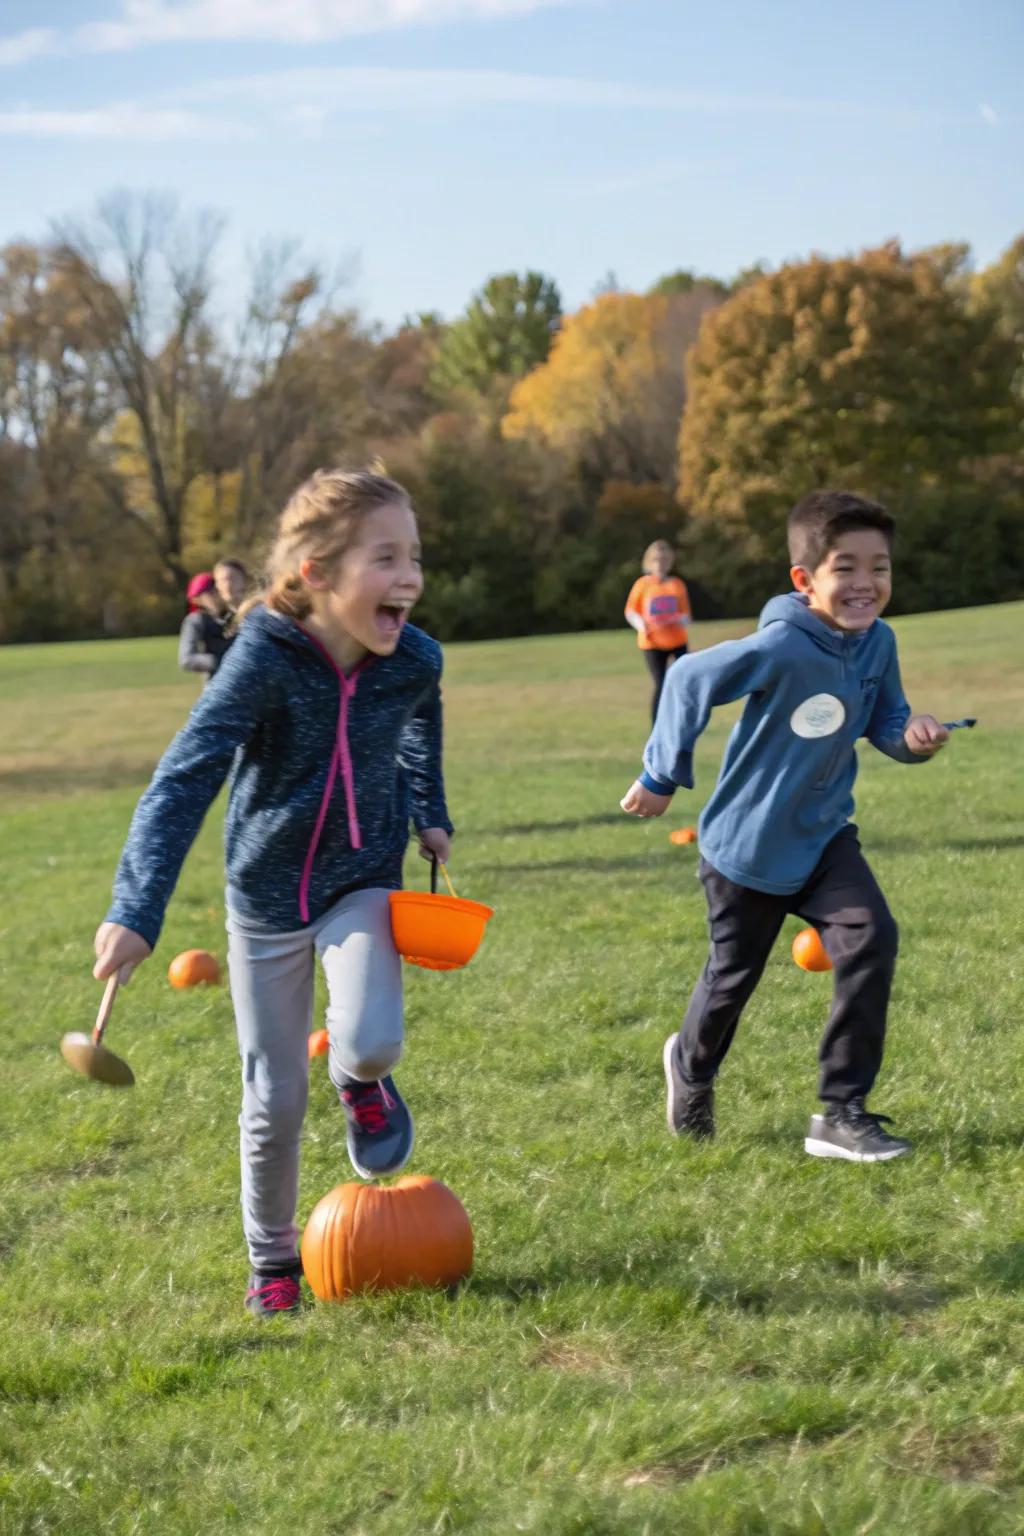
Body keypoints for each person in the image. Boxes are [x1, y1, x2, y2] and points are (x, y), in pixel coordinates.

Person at [93, 469, 454, 1317]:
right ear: (318, 574)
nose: (409, 576)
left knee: (368, 1039)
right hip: (262, 902)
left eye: (415, 556)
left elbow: (420, 730)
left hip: (362, 880)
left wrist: (430, 812)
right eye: (386, 557)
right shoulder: (260, 657)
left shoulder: (414, 660)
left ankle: (362, 1085)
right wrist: (135, 909)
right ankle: (273, 1261)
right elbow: (183, 779)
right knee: (274, 1095)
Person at [620, 490, 950, 1163]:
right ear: (805, 580)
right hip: (746, 849)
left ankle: (841, 1112)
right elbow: (686, 680)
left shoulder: (878, 643)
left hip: (825, 836)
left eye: (879, 568)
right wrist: (660, 776)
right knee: (730, 983)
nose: (865, 584)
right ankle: (689, 1066)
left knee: (871, 936)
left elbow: (886, 720)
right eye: (845, 568)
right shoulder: (780, 646)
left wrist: (910, 738)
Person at [624, 541, 691, 723]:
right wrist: (641, 625)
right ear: (649, 562)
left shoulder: (677, 585)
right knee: (661, 684)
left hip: (677, 640)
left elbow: (686, 616)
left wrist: (678, 619)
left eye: (664, 560)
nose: (660, 564)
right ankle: (658, 726)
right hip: (652, 642)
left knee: (685, 681)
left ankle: (684, 720)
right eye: (656, 560)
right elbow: (630, 611)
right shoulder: (642, 585)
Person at [178, 572, 232, 682]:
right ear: (196, 599)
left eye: (217, 590)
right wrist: (221, 660)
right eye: (210, 592)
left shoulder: (232, 615)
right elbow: (186, 659)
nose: (217, 595)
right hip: (216, 685)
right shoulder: (196, 620)